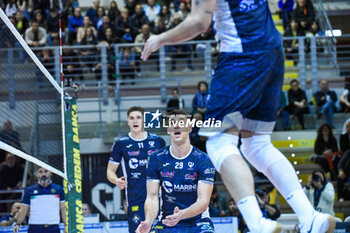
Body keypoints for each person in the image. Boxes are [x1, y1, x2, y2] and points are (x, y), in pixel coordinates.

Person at [140, 0, 336, 232]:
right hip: (273, 52)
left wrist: (159, 38)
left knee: (219, 140)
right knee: (256, 144)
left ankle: (258, 223)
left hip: (241, 57)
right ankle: (311, 217)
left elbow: (199, 23)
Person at [136, 110, 215, 233]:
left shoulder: (203, 159)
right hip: (167, 223)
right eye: (172, 122)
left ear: (189, 127)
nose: (176, 125)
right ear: (168, 129)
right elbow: (152, 198)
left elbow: (203, 201)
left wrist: (181, 214)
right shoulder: (156, 158)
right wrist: (149, 221)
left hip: (198, 223)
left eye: (181, 122)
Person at [106, 106, 166, 233]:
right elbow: (110, 172)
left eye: (138, 118)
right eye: (131, 118)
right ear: (128, 121)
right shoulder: (121, 144)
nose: (135, 121)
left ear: (144, 120)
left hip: (158, 197)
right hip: (135, 198)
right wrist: (116, 180)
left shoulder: (157, 141)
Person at [13, 166, 66, 233]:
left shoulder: (59, 189)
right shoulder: (30, 190)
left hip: (53, 228)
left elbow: (63, 209)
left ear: (50, 173)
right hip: (35, 228)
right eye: (40, 172)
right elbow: (23, 209)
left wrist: (66, 225)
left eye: (46, 171)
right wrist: (18, 224)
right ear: (37, 174)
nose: (43, 174)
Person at [337, 122, 350, 201]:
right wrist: (341, 172)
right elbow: (340, 164)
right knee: (340, 178)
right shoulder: (348, 152)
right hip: (347, 171)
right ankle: (340, 197)